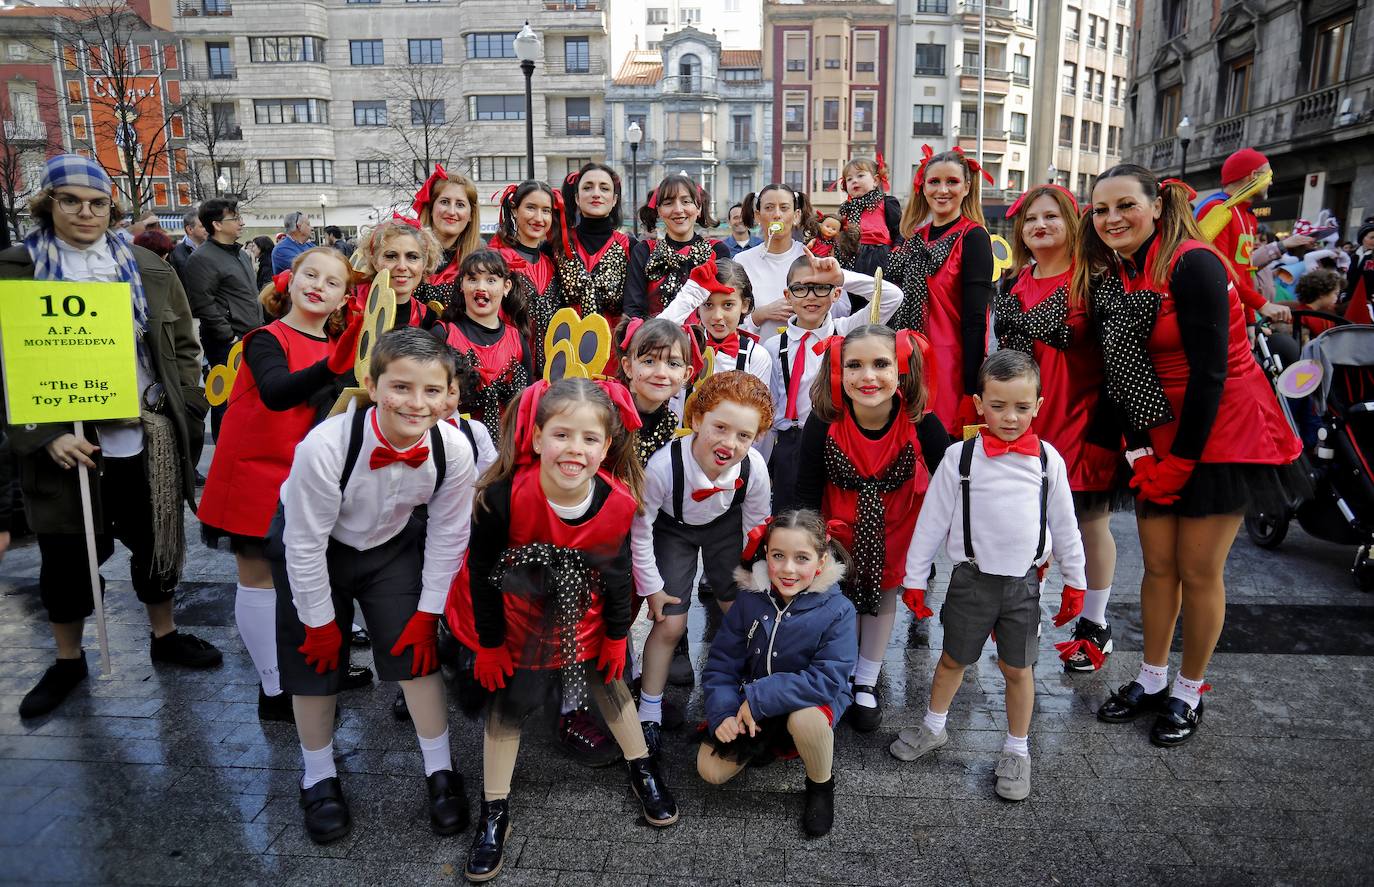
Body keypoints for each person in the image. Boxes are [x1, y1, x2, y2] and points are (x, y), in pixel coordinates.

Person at [1076, 164, 1301, 747]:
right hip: (1160, 425)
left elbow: (1212, 373)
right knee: (1156, 566)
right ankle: (1152, 679)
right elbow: (1122, 372)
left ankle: (1189, 688)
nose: (1111, 219)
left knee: (1199, 569)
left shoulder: (1194, 262)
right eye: (1100, 210)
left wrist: (1181, 460)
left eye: (1124, 205)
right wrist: (1141, 451)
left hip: (1221, 427)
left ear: (1156, 205)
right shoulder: (1117, 270)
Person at [5, 155, 220, 719]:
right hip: (67, 442)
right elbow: (6, 366)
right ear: (47, 205)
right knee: (67, 555)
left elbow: (182, 346)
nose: (85, 212)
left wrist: (187, 408)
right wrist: (45, 432)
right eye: (70, 200)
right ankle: (69, 659)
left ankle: (164, 634)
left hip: (145, 433)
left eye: (97, 202)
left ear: (112, 207)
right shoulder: (16, 268)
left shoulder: (148, 265)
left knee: (155, 542)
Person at [464, 379, 679, 882]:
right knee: (508, 703)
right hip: (517, 612)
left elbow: (620, 575)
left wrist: (615, 635)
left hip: (583, 611)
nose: (573, 449)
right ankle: (494, 805)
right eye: (561, 435)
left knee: (610, 685)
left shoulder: (619, 503)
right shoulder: (502, 496)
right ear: (537, 438)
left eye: (588, 439)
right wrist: (490, 644)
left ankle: (640, 764)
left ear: (606, 447)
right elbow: (481, 573)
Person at [273, 328, 477, 844]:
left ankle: (440, 771)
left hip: (390, 545)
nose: (416, 403)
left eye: (432, 390)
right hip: (317, 547)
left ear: (450, 393)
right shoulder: (324, 447)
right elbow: (303, 546)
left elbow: (451, 531)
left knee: (418, 653)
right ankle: (317, 775)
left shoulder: (453, 448)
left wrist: (429, 610)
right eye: (401, 387)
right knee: (314, 664)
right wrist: (319, 625)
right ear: (370, 382)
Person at [890, 350, 1086, 801]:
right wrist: (915, 580)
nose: (1010, 418)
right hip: (971, 581)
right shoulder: (961, 458)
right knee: (953, 660)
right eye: (998, 406)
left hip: (1023, 586)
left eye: (1021, 407)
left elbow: (1065, 525)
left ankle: (1018, 750)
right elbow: (931, 525)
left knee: (1018, 669)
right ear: (979, 403)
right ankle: (934, 726)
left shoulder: (1046, 460)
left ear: (1039, 404)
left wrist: (1076, 581)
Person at [198, 247, 370, 721]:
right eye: (309, 275)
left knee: (309, 580)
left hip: (309, 478)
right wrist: (338, 364)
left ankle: (311, 673)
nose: (319, 285)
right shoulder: (263, 338)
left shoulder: (341, 346)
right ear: (288, 283)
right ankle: (275, 688)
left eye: (332, 282)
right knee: (258, 581)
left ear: (342, 299)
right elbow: (276, 393)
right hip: (255, 472)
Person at [795, 325, 949, 731]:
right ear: (837, 372)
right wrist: (808, 546)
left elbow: (953, 479)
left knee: (882, 598)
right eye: (854, 365)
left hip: (895, 530)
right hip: (836, 530)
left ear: (900, 369)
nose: (868, 377)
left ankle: (866, 679)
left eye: (881, 364)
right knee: (837, 601)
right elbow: (807, 490)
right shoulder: (824, 422)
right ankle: (840, 671)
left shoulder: (922, 423)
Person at [995, 184, 1123, 674]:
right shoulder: (1013, 282)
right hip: (1023, 423)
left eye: (1051, 216)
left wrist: (1110, 432)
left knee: (1088, 525)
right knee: (1027, 523)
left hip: (1081, 419)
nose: (1039, 226)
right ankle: (1027, 615)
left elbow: (1118, 362)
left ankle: (1095, 624)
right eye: (1030, 219)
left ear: (1073, 223)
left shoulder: (1096, 280)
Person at [631, 372, 773, 755]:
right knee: (670, 621)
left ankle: (747, 695)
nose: (730, 443)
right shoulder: (663, 468)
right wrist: (652, 587)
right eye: (720, 428)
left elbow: (756, 527)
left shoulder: (753, 468)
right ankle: (648, 712)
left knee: (740, 610)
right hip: (672, 526)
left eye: (743, 435)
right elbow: (641, 531)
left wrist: (755, 579)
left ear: (756, 437)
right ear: (696, 420)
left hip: (724, 525)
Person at [698, 509, 856, 838]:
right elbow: (722, 663)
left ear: (821, 561)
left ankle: (820, 785)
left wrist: (759, 699)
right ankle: (767, 742)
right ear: (765, 554)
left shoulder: (839, 610)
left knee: (805, 721)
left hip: (807, 702)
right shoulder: (749, 600)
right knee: (709, 770)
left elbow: (828, 680)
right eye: (778, 556)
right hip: (750, 702)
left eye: (802, 558)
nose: (787, 569)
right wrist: (724, 712)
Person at [764, 252, 903, 513]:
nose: (811, 296)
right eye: (801, 289)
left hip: (838, 439)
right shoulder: (773, 347)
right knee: (790, 518)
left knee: (834, 514)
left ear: (836, 294)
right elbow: (769, 410)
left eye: (821, 287)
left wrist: (841, 277)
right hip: (791, 443)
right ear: (788, 295)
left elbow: (892, 296)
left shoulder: (848, 332)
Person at [888, 147, 996, 436]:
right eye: (934, 182)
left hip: (950, 370)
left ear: (967, 187)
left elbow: (976, 321)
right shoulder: (913, 240)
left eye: (952, 182)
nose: (942, 189)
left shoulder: (973, 237)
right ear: (922, 187)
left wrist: (970, 390)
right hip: (908, 364)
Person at [1194, 148, 1315, 324]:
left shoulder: (1249, 216)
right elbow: (1218, 271)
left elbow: (1246, 272)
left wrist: (1250, 320)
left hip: (1233, 315)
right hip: (1211, 316)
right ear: (1254, 175)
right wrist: (1262, 304)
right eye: (1269, 175)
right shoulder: (1217, 210)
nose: (1271, 182)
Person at [437, 249, 533, 436]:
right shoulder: (443, 334)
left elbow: (527, 403)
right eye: (472, 279)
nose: (481, 288)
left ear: (506, 287)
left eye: (491, 280)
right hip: (454, 442)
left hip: (506, 447)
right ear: (461, 285)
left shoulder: (517, 339)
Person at [625, 173, 730, 319]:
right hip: (654, 338)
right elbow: (633, 310)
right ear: (659, 211)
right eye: (668, 203)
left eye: (686, 201)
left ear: (698, 208)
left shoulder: (717, 250)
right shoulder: (644, 251)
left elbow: (727, 303)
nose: (678, 210)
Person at [737, 183, 827, 340]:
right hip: (756, 357)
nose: (777, 215)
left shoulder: (811, 257)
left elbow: (840, 308)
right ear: (758, 216)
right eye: (769, 208)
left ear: (796, 215)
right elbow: (730, 318)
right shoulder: (742, 261)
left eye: (784, 208)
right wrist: (760, 315)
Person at [556, 163, 634, 340]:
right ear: (577, 198)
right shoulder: (557, 245)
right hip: (565, 350)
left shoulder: (630, 246)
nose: (596, 194)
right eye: (588, 187)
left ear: (614, 200)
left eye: (604, 188)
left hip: (615, 353)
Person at [488, 181, 562, 370]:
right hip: (508, 365)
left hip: (550, 369)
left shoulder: (551, 263)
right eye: (531, 207)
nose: (539, 217)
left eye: (546, 210)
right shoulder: (497, 258)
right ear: (514, 210)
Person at [354, 217, 443, 330]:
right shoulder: (352, 307)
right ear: (375, 262)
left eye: (412, 257)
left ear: (424, 264)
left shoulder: (429, 320)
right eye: (391, 256)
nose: (402, 266)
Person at [413, 164, 482, 309]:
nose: (451, 211)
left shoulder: (481, 259)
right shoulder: (408, 252)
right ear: (431, 208)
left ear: (470, 215)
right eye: (444, 202)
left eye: (460, 205)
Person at [836, 157, 901, 277]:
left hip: (879, 255)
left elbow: (899, 229)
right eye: (849, 179)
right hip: (852, 256)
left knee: (877, 291)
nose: (854, 181)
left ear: (875, 180)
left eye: (860, 176)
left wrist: (896, 250)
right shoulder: (846, 209)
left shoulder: (886, 202)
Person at [1345, 220, 1374, 322]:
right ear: (1362, 239)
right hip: (1349, 300)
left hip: (1368, 302)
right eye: (1372, 238)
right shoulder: (1353, 256)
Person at [169, 208, 206, 282]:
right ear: (190, 229)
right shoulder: (175, 253)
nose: (208, 229)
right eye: (203, 226)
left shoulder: (215, 249)